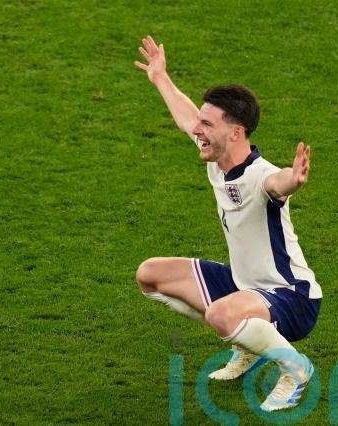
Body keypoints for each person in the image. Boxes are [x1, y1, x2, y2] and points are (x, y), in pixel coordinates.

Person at [133, 35, 322, 412]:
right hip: (243, 284)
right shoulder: (217, 156)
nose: (197, 130)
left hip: (292, 297)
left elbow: (277, 184)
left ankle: (296, 369)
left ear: (236, 132)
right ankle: (247, 342)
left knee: (220, 315)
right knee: (149, 275)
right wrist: (159, 77)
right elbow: (186, 117)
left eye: (207, 124)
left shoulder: (260, 175)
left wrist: (295, 179)